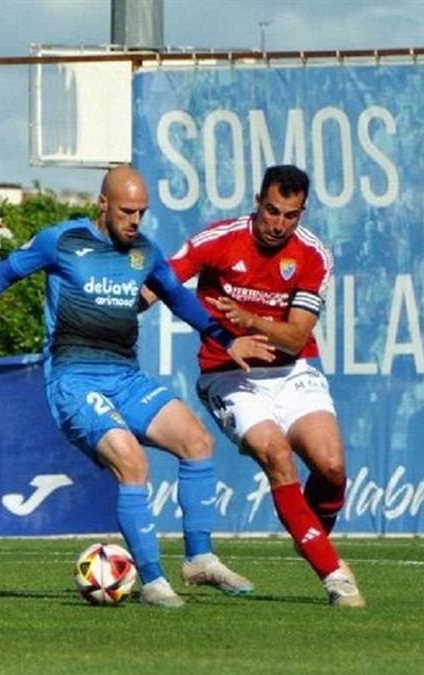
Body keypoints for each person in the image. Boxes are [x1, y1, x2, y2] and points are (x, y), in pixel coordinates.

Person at [0, 166, 273, 608]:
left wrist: (227, 339)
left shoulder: (144, 253)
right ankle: (152, 581)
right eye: (128, 211)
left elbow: (179, 298)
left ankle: (200, 558)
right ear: (103, 204)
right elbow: (6, 272)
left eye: (142, 212)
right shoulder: (63, 241)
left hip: (125, 377)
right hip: (73, 379)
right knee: (132, 462)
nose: (135, 220)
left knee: (197, 440)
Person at [160, 165, 365, 607]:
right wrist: (117, 308)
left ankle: (310, 536)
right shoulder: (217, 240)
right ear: (258, 201)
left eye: (290, 216)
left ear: (302, 213)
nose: (279, 224)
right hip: (229, 375)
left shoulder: (313, 255)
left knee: (331, 467)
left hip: (293, 373)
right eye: (272, 211)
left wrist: (250, 319)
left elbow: (294, 336)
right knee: (276, 454)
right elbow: (162, 279)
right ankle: (334, 576)